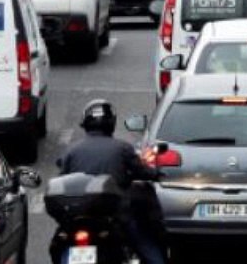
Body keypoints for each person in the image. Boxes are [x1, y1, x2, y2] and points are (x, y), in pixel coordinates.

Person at [58, 100, 166, 264]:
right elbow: (141, 171)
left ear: (85, 123)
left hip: (78, 215)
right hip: (114, 215)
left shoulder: (71, 150)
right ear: (111, 123)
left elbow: (62, 178)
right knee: (143, 241)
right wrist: (157, 174)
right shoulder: (123, 148)